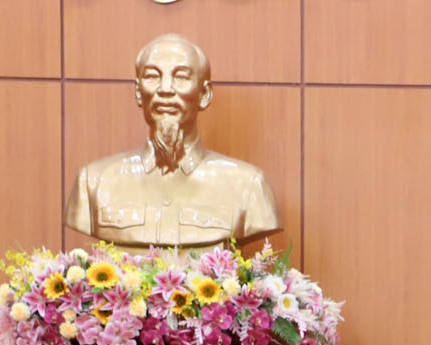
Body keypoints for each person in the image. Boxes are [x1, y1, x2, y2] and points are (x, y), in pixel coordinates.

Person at [64, 33, 279, 248]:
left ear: (204, 94)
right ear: (138, 93)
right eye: (152, 76)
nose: (165, 89)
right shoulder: (93, 182)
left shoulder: (248, 186)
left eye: (181, 77)